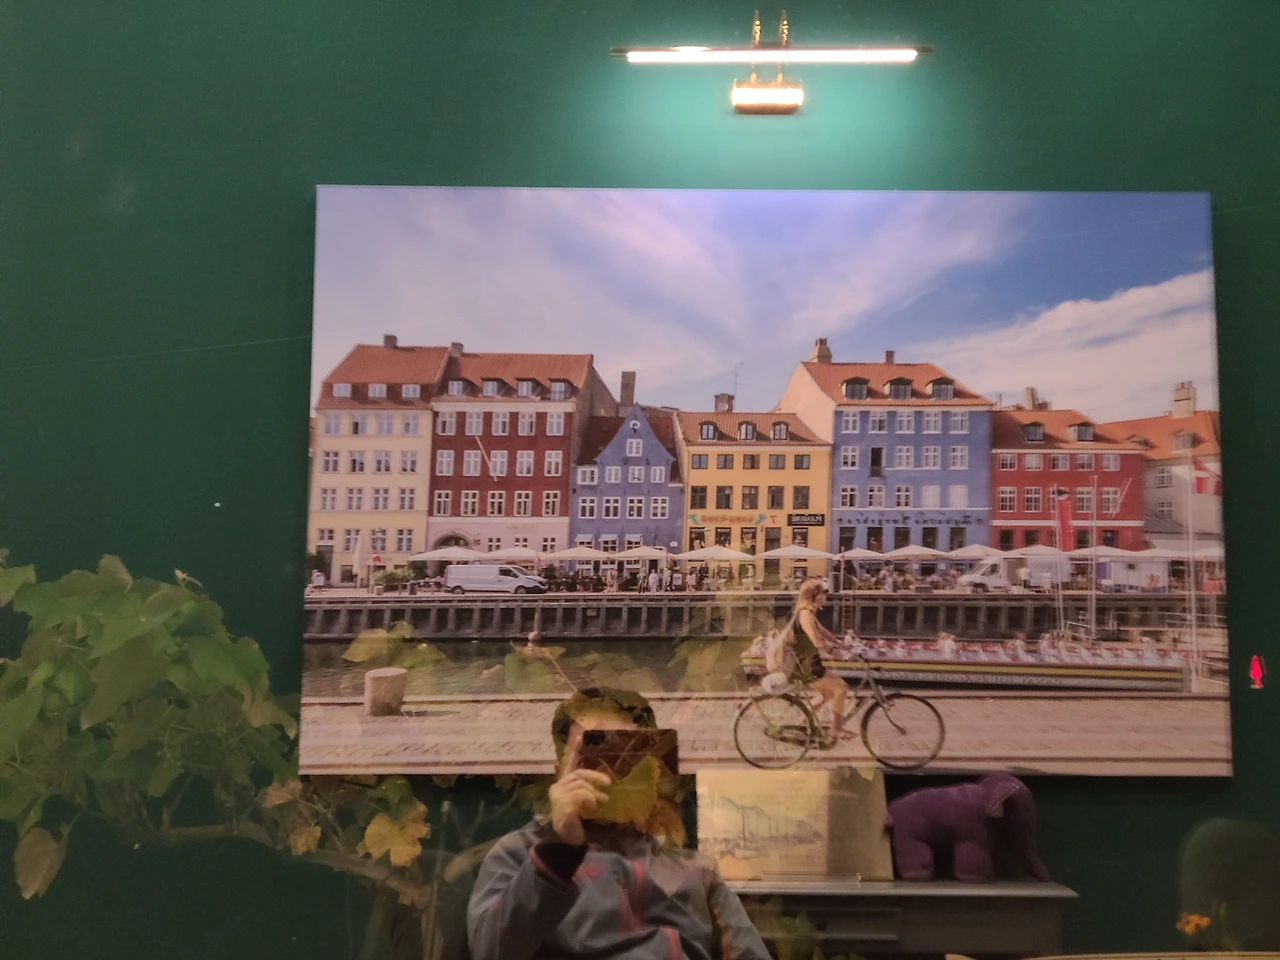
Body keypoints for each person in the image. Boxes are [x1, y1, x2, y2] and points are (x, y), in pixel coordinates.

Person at [467, 688, 769, 960]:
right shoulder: (521, 854)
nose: (614, 770)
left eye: (630, 753)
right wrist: (559, 850)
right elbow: (491, 951)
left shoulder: (695, 870)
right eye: (594, 752)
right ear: (560, 773)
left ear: (652, 764)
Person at [785, 579, 852, 740]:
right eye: (823, 593)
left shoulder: (808, 613)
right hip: (807, 665)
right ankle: (836, 729)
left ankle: (803, 722)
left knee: (827, 694)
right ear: (814, 596)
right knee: (841, 688)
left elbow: (823, 632)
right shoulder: (805, 614)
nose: (825, 596)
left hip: (807, 662)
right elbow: (816, 640)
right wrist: (833, 652)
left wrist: (841, 645)